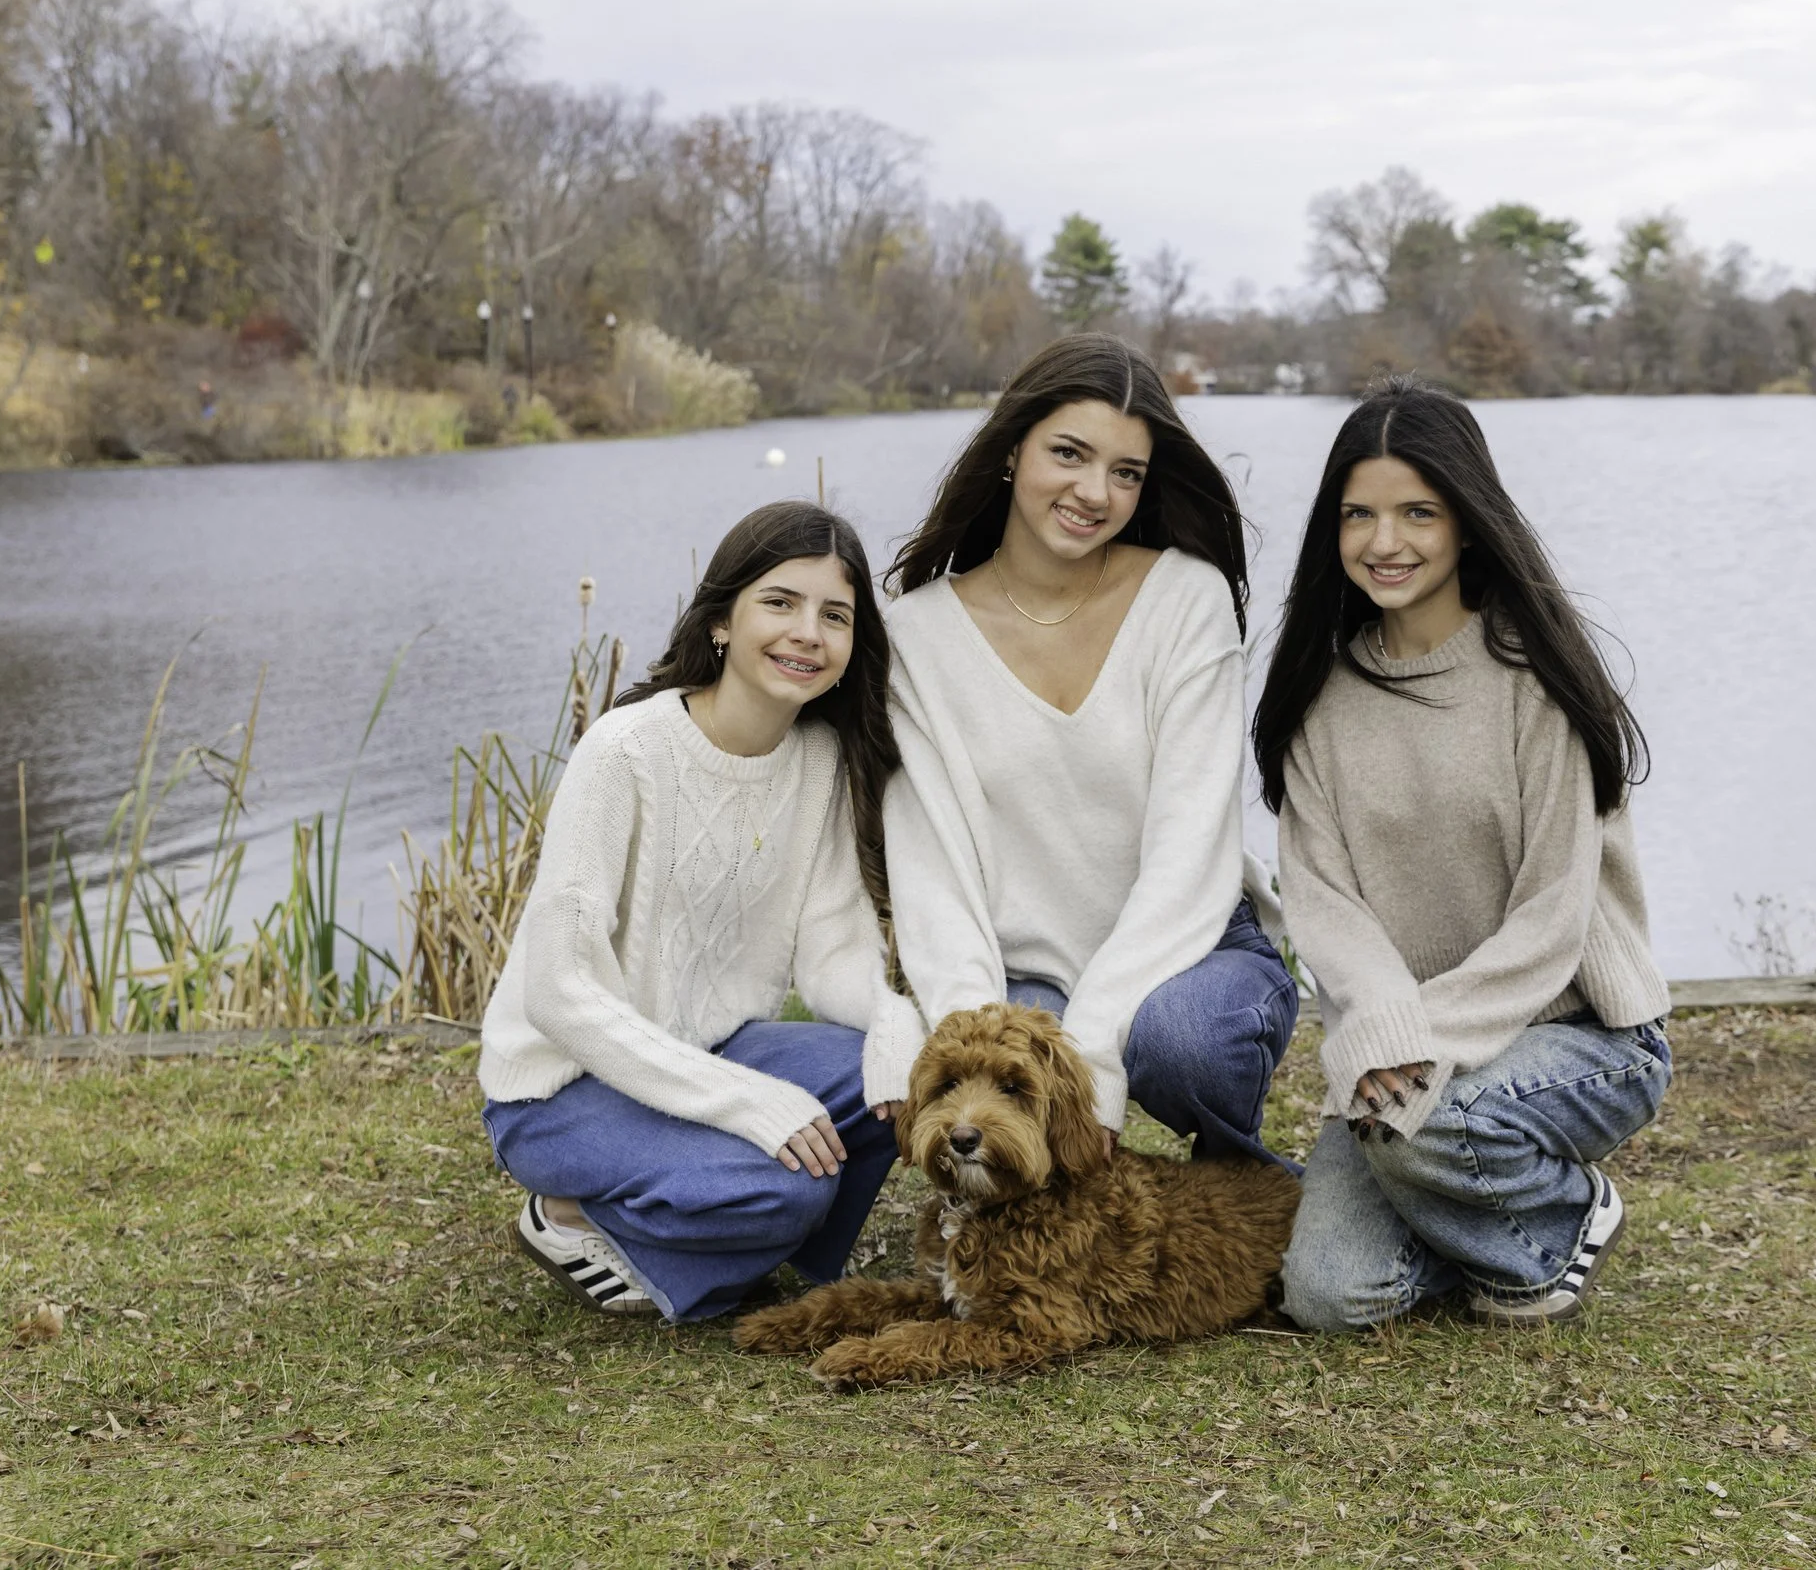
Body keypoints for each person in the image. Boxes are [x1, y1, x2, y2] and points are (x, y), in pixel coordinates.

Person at [1255, 379, 1672, 1329]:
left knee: (1428, 1127)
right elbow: (1324, 903)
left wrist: (1413, 1045)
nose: (1384, 541)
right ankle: (1465, 1196)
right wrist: (1388, 1037)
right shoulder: (1319, 698)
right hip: (1409, 1043)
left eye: (1417, 512)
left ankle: (1559, 1221)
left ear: (1469, 522)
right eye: (1358, 513)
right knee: (1331, 1296)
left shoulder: (1537, 677)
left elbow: (1551, 920)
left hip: (1583, 1032)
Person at [478, 501, 924, 1322]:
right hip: (562, 1091)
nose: (807, 634)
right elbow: (559, 991)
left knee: (892, 1083)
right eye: (780, 603)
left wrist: (894, 1023)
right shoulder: (623, 751)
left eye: (835, 615)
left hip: (715, 1047)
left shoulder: (820, 758)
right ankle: (572, 1216)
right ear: (722, 617)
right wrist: (746, 1102)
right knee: (787, 1187)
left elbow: (831, 955)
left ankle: (743, 1230)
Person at [882, 333, 1297, 1163]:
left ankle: (1238, 1179)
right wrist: (975, 1040)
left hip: (1192, 950)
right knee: (999, 1078)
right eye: (1068, 454)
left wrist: (1093, 1052)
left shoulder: (1185, 598)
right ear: (1010, 452)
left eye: (1125, 473)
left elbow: (1190, 856)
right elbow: (935, 871)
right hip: (1020, 976)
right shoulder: (917, 633)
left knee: (1181, 1040)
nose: (1094, 492)